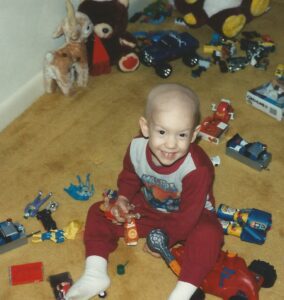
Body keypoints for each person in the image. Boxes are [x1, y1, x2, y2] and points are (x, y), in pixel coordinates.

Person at [66, 83, 224, 300]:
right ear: (145, 127)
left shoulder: (198, 168)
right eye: (161, 132)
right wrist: (123, 198)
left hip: (191, 216)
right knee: (99, 212)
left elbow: (188, 216)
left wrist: (165, 240)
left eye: (181, 135)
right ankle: (95, 273)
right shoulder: (136, 147)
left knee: (209, 235)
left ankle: (182, 293)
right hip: (148, 207)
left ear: (195, 134)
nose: (170, 144)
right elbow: (130, 176)